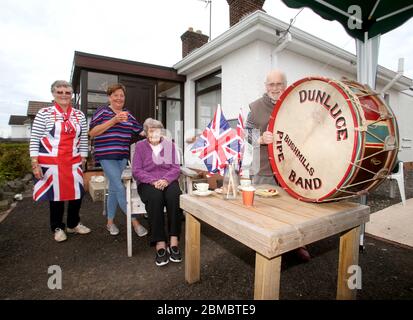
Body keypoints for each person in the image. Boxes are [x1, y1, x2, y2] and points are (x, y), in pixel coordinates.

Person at [246, 70, 311, 262]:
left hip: (292, 167)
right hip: (264, 167)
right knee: (264, 210)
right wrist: (260, 138)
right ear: (266, 86)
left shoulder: (295, 104)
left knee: (292, 209)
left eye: (279, 84)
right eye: (271, 84)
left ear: (285, 85)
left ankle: (296, 245)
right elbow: (247, 133)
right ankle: (264, 249)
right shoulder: (256, 107)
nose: (275, 88)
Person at [30, 80, 91, 242]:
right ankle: (57, 227)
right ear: (53, 94)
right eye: (60, 92)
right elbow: (35, 139)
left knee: (77, 193)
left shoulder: (79, 115)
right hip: (51, 162)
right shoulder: (44, 113)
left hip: (74, 161)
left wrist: (84, 157)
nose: (64, 95)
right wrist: (34, 163)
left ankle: (73, 223)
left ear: (71, 95)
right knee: (55, 195)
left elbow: (84, 138)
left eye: (67, 92)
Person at [89, 83, 148, 237]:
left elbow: (140, 131)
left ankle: (109, 223)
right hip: (106, 156)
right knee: (121, 188)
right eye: (115, 95)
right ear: (109, 97)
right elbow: (93, 132)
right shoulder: (102, 111)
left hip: (121, 156)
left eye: (121, 95)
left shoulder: (128, 113)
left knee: (114, 189)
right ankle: (135, 222)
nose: (119, 98)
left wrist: (156, 133)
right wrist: (113, 121)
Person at [132, 118, 182, 267]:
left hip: (168, 181)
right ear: (146, 133)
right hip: (149, 183)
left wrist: (166, 180)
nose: (155, 134)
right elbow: (136, 170)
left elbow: (175, 168)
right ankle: (160, 243)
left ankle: (173, 240)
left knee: (174, 196)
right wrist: (153, 181)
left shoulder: (169, 145)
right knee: (155, 197)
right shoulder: (140, 147)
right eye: (151, 131)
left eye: (158, 130)